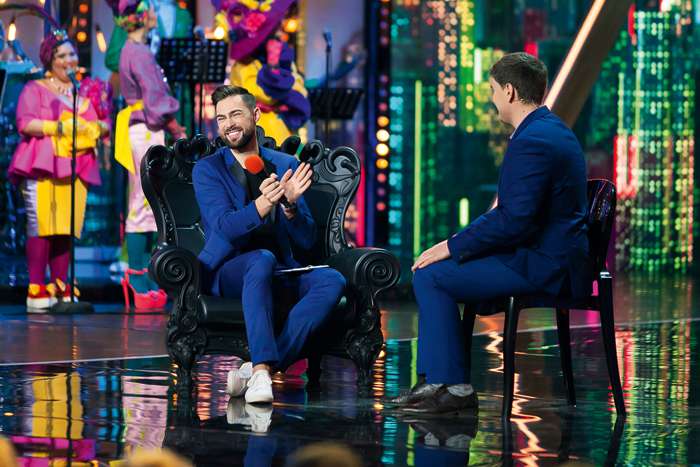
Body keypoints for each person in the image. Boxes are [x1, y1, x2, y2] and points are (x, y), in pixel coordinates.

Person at [393, 52, 590, 413]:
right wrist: (459, 247)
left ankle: (451, 386)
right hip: (542, 254)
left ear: (510, 91)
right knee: (437, 271)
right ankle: (437, 381)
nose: (493, 99)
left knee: (431, 275)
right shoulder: (549, 130)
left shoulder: (533, 140)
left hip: (544, 264)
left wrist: (451, 246)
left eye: (493, 91)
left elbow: (513, 220)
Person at [192, 85, 345, 404]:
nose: (228, 124)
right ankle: (262, 367)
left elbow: (306, 238)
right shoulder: (208, 169)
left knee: (331, 280)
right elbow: (224, 227)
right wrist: (264, 204)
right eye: (221, 118)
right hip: (229, 271)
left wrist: (290, 206)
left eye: (235, 114)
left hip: (280, 269)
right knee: (260, 258)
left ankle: (259, 370)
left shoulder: (285, 163)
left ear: (255, 115)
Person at [9, 29, 108, 310]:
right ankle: (36, 287)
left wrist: (98, 127)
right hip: (43, 165)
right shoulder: (35, 88)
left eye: (71, 54)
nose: (68, 60)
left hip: (75, 165)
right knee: (42, 226)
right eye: (61, 55)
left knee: (66, 226)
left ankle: (60, 283)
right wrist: (59, 126)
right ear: (50, 60)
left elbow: (101, 122)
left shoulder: (83, 92)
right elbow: (25, 123)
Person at [114, 0, 187, 310]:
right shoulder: (139, 53)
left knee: (146, 202)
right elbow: (154, 96)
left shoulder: (133, 49)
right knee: (143, 202)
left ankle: (142, 274)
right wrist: (176, 128)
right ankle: (136, 276)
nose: (156, 14)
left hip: (143, 127)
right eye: (151, 9)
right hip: (145, 128)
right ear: (143, 17)